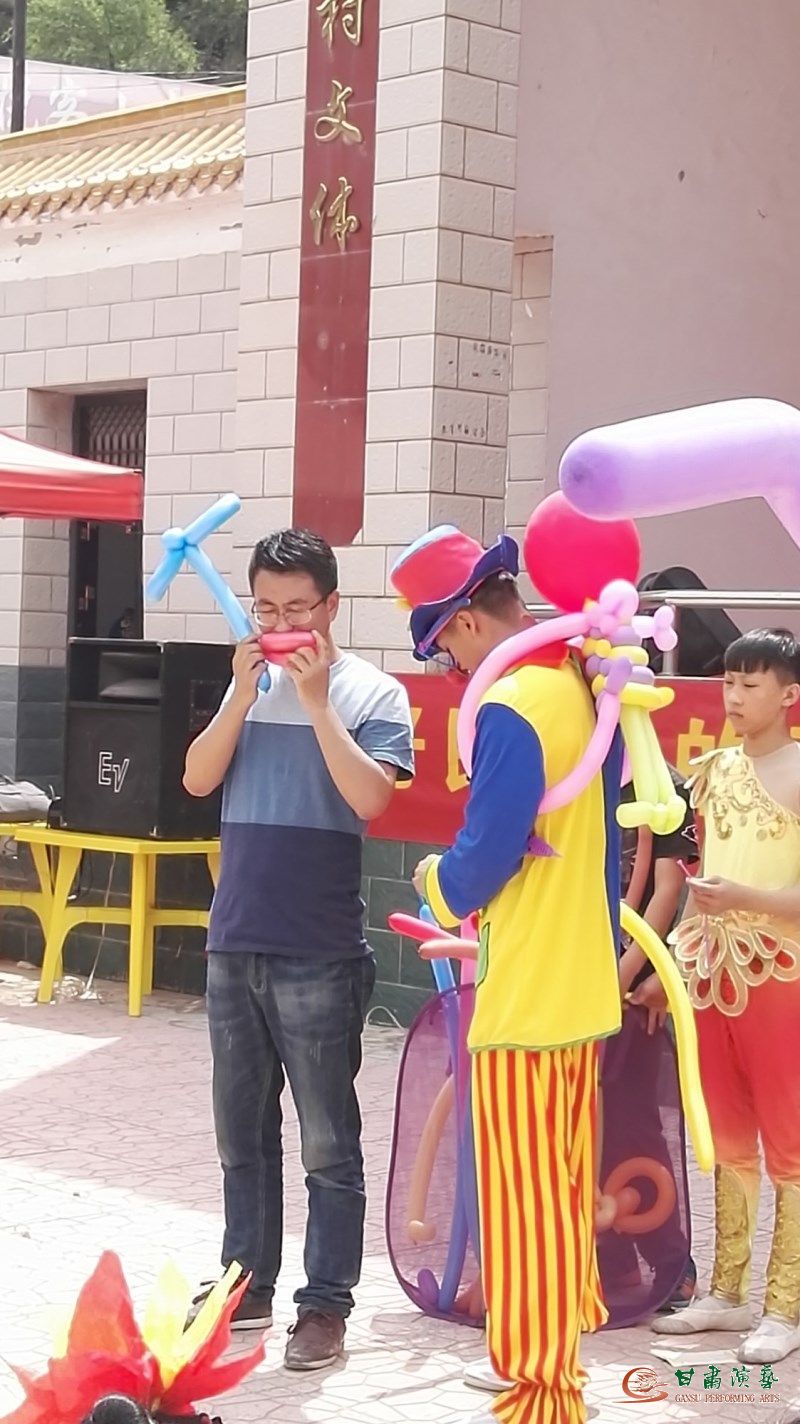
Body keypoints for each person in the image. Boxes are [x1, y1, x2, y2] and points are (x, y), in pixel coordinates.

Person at [391, 525, 623, 1424]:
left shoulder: (514, 701)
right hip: (581, 977)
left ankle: (540, 1387)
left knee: (524, 1199)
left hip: (527, 990)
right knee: (559, 1186)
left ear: (462, 624)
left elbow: (483, 859)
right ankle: (549, 1350)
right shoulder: (580, 682)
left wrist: (434, 883)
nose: (448, 664)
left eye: (441, 645)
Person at [183, 528, 414, 1370]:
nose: (281, 625)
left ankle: (325, 1305)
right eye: (266, 609)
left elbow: (372, 799)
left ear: (331, 607)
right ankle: (244, 1283)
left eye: (297, 609)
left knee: (327, 1142)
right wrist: (240, 698)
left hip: (319, 949)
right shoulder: (244, 685)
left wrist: (317, 705)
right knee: (241, 1133)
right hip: (234, 940)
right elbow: (196, 778)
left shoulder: (372, 692)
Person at [654, 628, 800, 1365]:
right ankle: (727, 1289)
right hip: (713, 972)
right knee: (728, 1135)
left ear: (789, 695)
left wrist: (745, 897)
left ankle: (786, 1304)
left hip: (782, 976)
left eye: (750, 684)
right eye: (728, 683)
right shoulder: (712, 772)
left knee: (791, 1142)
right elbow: (694, 878)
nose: (734, 697)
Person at [597, 764, 698, 1316]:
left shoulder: (665, 787)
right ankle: (611, 1262)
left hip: (633, 992)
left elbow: (670, 889)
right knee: (583, 1123)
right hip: (569, 982)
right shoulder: (572, 774)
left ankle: (672, 1265)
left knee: (631, 1122)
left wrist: (631, 972)